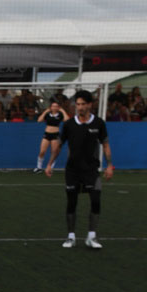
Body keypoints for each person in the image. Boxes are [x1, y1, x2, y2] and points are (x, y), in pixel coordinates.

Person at [45, 89, 114, 249]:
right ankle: (71, 237)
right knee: (72, 202)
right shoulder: (69, 125)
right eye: (78, 104)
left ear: (90, 105)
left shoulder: (98, 123)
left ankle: (91, 236)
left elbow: (105, 144)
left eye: (83, 104)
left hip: (91, 170)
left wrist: (109, 165)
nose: (80, 107)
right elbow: (59, 146)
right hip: (73, 170)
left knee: (96, 200)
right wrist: (50, 164)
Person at [34, 98, 69, 173]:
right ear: (50, 107)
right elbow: (39, 120)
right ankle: (38, 167)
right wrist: (45, 111)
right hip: (47, 134)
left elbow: (67, 119)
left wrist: (62, 110)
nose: (54, 108)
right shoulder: (47, 114)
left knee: (53, 151)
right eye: (53, 106)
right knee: (42, 151)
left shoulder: (60, 115)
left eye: (56, 106)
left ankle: (50, 167)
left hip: (55, 134)